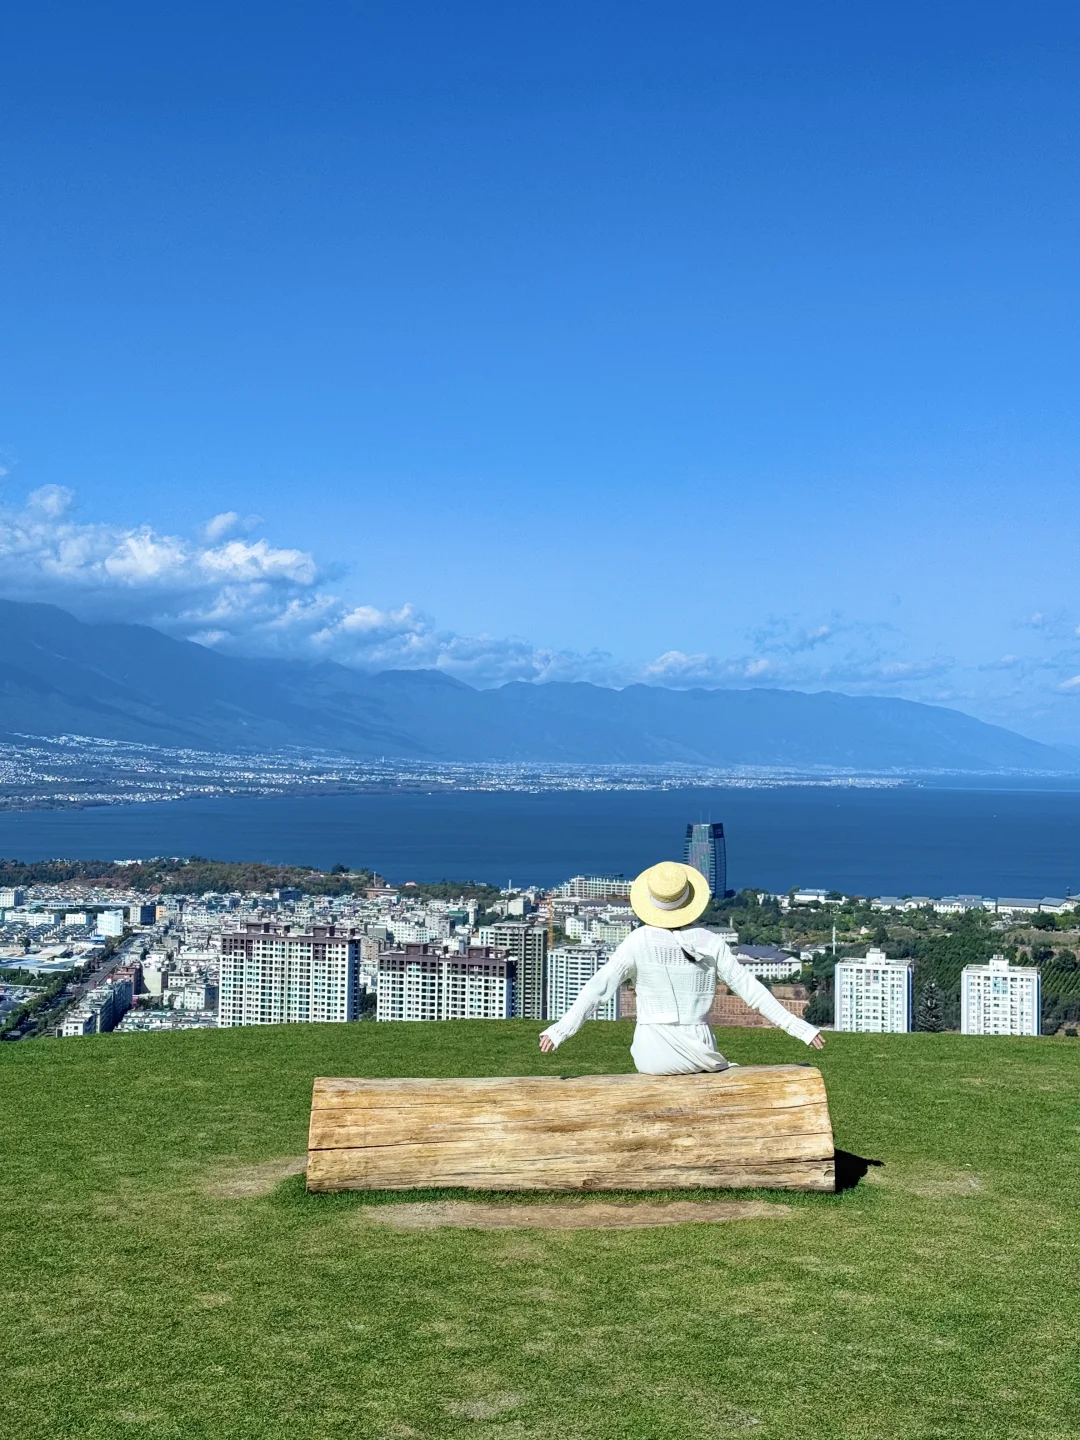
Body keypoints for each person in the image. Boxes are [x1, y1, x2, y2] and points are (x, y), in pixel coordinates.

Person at [539, 859, 824, 1074]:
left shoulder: (637, 941)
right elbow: (752, 991)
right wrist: (801, 1029)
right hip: (700, 1048)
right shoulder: (710, 942)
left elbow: (598, 989)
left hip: (650, 1053)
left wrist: (560, 1031)